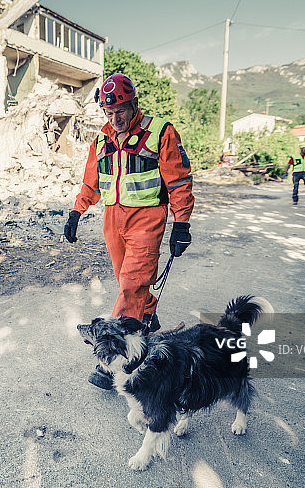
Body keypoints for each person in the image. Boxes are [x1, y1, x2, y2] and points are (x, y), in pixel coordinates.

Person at [63, 73, 194, 390]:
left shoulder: (160, 132)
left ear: (134, 104)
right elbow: (91, 183)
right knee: (128, 283)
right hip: (112, 219)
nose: (115, 118)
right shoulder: (101, 140)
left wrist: (182, 222)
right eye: (108, 113)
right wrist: (76, 211)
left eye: (120, 110)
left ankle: (109, 362)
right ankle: (146, 320)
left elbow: (178, 181)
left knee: (132, 285)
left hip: (147, 219)